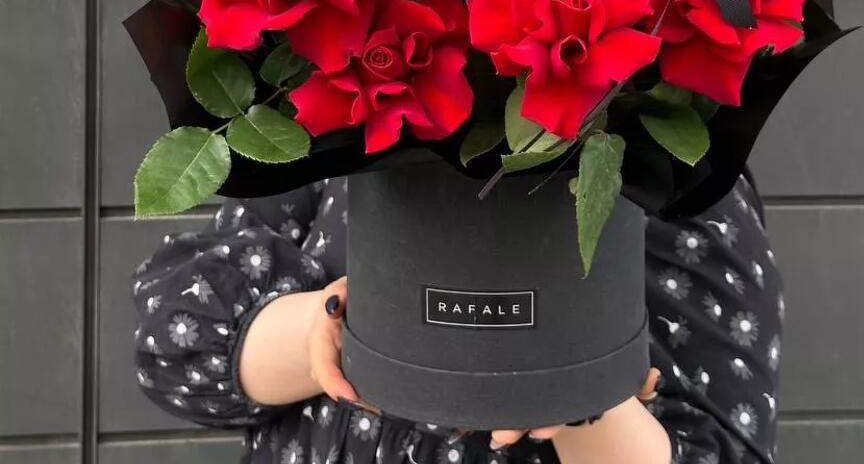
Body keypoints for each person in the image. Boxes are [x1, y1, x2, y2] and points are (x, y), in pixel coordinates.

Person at [133, 172, 781, 464]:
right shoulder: (340, 127)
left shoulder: (672, 170)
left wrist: (575, 386)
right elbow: (178, 340)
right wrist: (332, 331)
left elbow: (717, 447)